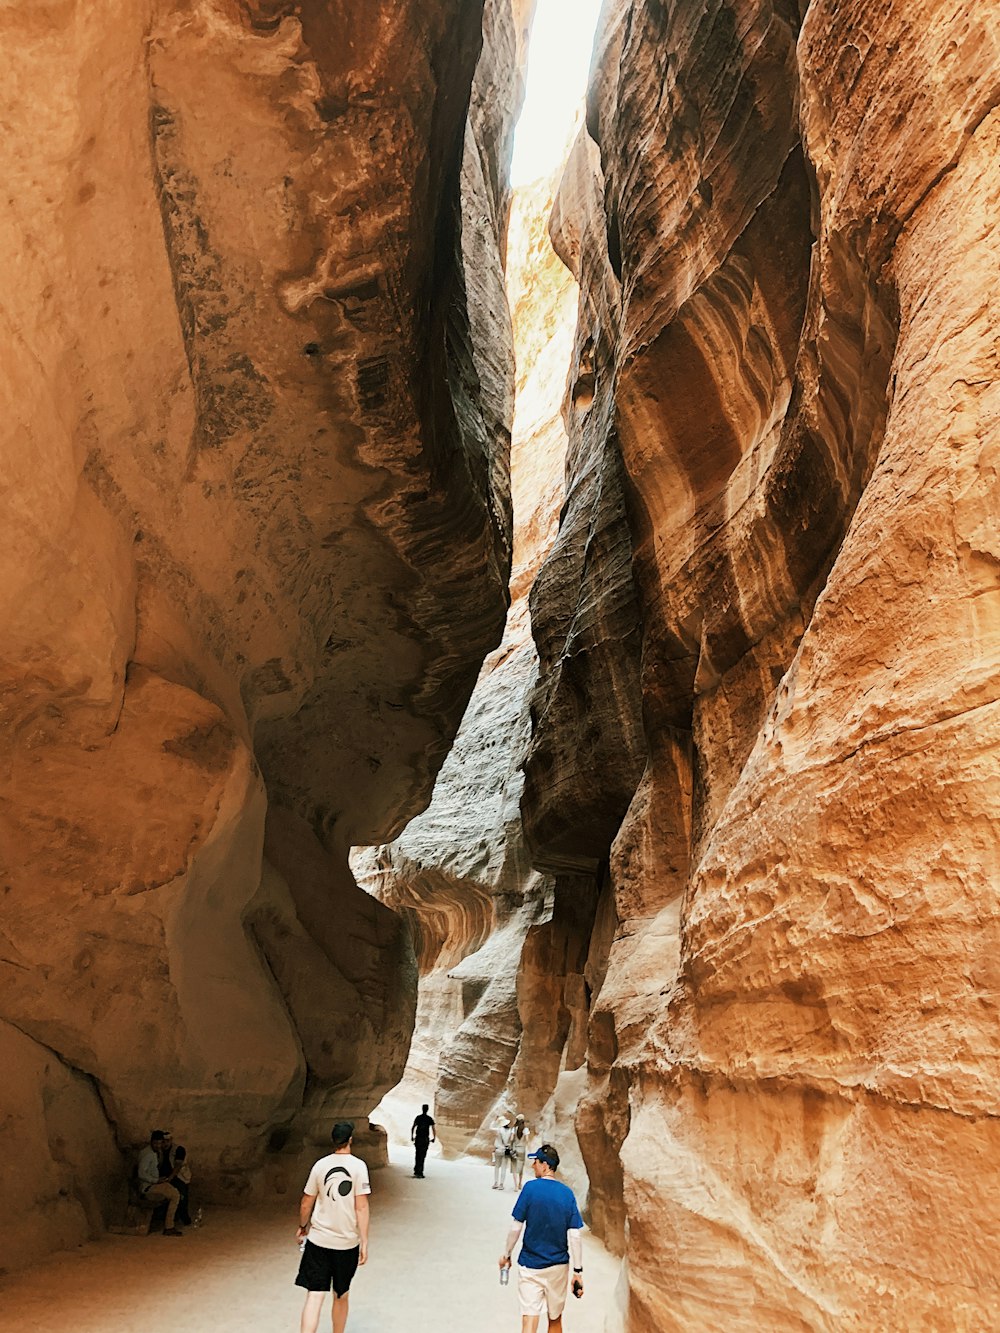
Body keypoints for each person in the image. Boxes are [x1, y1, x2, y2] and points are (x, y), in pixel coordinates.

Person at [498, 1144, 584, 1333]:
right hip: (558, 1267)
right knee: (555, 1319)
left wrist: (506, 1254)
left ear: (545, 1165)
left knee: (529, 1318)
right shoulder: (567, 1194)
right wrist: (577, 1272)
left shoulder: (530, 1189)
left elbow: (516, 1227)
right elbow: (575, 1235)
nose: (533, 1166)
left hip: (531, 1265)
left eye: (535, 1162)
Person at [295, 1121, 371, 1333]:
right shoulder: (359, 1167)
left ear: (333, 1140)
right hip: (346, 1244)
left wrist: (302, 1226)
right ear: (350, 1140)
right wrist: (364, 1241)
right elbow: (361, 1207)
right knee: (341, 1295)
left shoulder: (320, 1165)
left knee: (314, 1294)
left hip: (319, 1241)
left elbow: (306, 1202)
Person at [136, 1130, 183, 1236]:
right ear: (151, 1142)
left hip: (153, 1184)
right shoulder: (148, 1154)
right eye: (156, 1143)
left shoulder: (152, 1152)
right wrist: (156, 1180)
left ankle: (169, 1225)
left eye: (160, 1143)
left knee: (174, 1191)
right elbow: (141, 1173)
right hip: (148, 1187)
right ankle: (169, 1227)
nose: (158, 1145)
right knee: (175, 1195)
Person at [410, 1103, 435, 1178]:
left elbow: (413, 1127)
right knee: (423, 1155)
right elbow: (433, 1129)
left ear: (422, 1109)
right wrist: (434, 1138)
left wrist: (412, 1136)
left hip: (418, 1138)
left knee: (417, 1154)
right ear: (427, 1109)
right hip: (425, 1139)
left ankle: (416, 1171)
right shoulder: (429, 1119)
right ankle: (420, 1172)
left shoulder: (418, 1117)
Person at [492, 1116, 514, 1190]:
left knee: (497, 1167)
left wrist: (495, 1121)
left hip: (498, 1149)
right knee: (504, 1167)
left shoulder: (498, 1130)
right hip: (505, 1150)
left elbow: (490, 1127)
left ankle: (495, 1182)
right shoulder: (510, 1131)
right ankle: (501, 1184)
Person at [511, 1114, 531, 1190]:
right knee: (521, 1168)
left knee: (514, 1168)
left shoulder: (514, 1129)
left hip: (515, 1149)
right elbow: (527, 1140)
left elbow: (511, 1138)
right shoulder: (525, 1129)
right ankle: (520, 1184)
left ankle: (515, 1185)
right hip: (522, 1149)